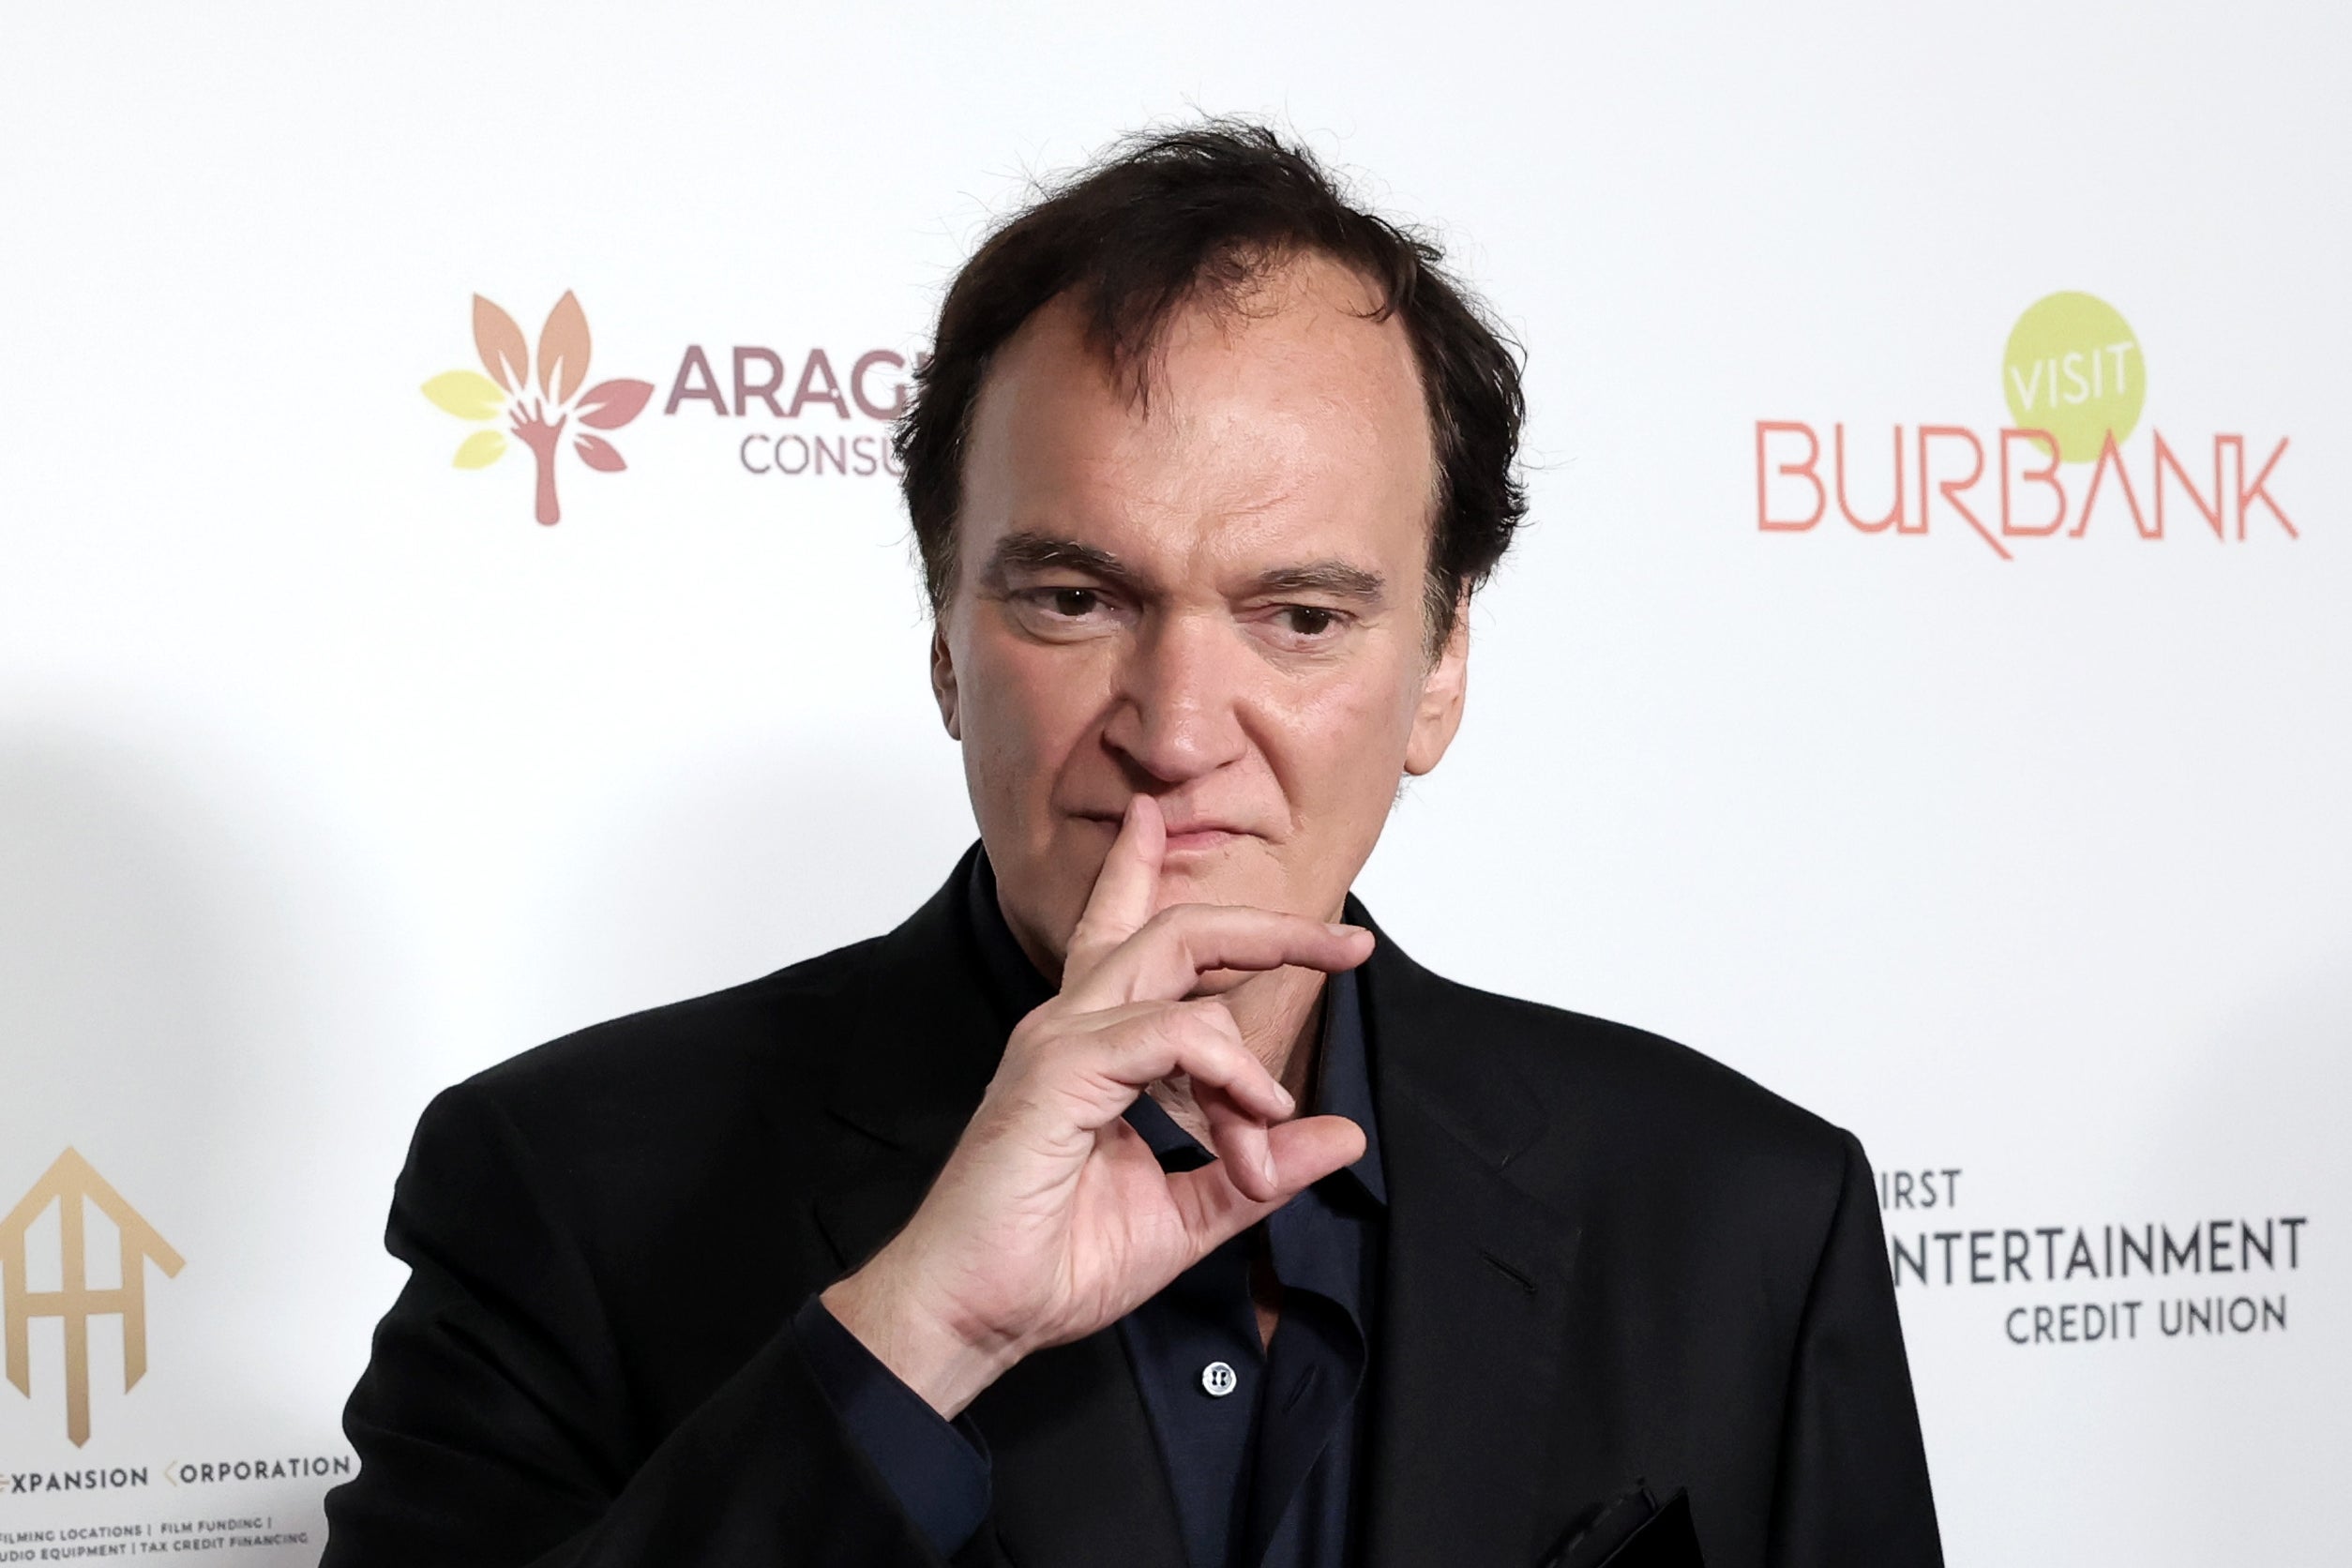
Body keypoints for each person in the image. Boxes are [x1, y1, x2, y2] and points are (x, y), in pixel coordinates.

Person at [323, 121, 1941, 1568]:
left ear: (1441, 668)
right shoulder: (562, 1193)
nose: (1174, 732)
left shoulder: (1741, 1220)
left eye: (1300, 618)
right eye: (1075, 599)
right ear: (946, 641)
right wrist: (914, 1338)